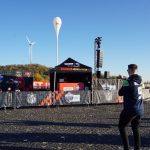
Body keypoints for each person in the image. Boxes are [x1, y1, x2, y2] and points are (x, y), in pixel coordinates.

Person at [118, 64, 144, 150]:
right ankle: (137, 148)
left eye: (127, 70)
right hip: (140, 109)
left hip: (130, 109)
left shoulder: (127, 81)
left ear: (130, 70)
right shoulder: (141, 80)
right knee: (135, 128)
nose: (127, 71)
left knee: (121, 126)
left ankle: (126, 148)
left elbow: (120, 93)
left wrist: (124, 81)